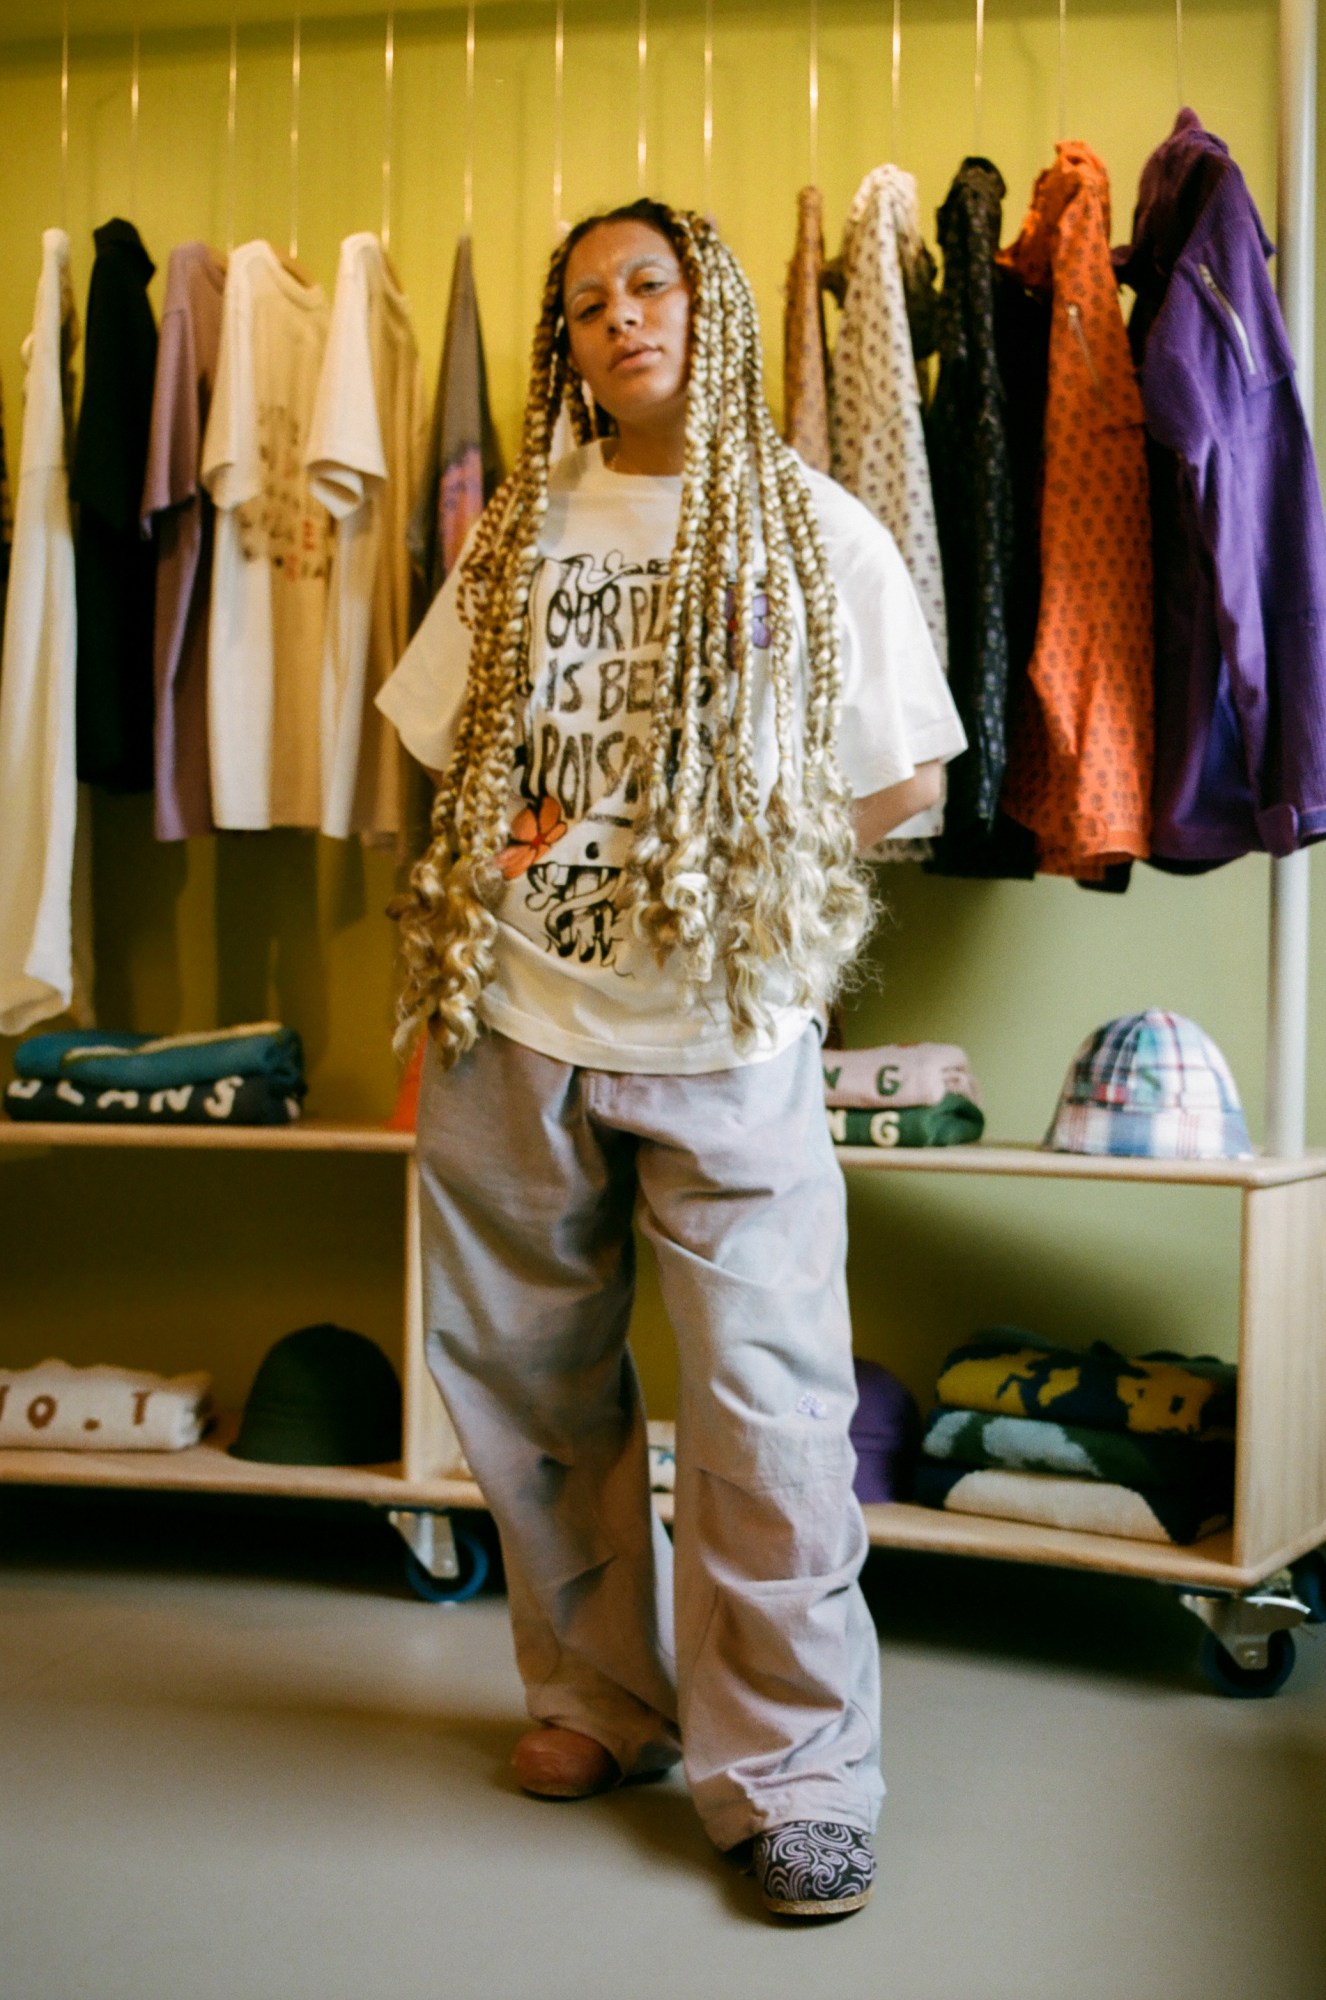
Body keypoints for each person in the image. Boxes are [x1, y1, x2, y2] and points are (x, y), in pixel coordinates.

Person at [376, 199, 965, 1921]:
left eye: (647, 286)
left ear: (708, 305)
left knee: (770, 1414)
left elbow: (901, 783)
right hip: (513, 1020)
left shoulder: (817, 532)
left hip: (725, 1033)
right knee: (532, 1394)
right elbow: (446, 743)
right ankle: (595, 1701)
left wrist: (752, 880)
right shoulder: (514, 538)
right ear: (564, 347)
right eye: (583, 304)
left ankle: (791, 1775)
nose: (617, 316)